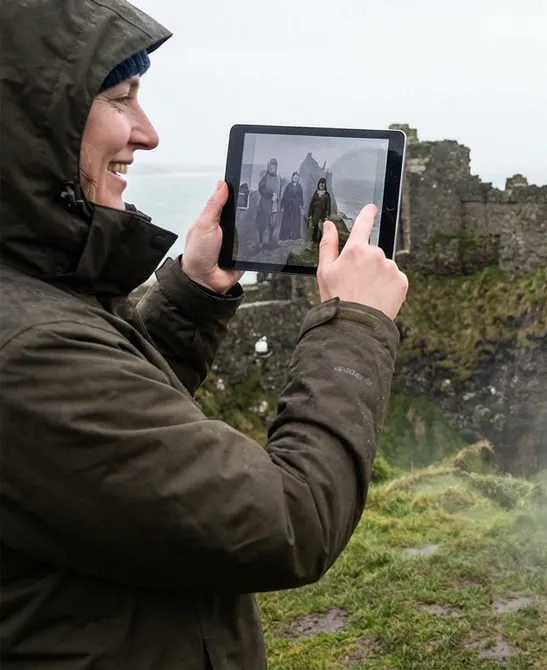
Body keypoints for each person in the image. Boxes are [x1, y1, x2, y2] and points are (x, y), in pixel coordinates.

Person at [0, 1, 410, 668]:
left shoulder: (30, 304)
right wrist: (354, 327)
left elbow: (108, 445)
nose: (149, 133)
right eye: (121, 97)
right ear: (29, 126)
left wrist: (190, 297)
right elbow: (291, 519)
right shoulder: (26, 355)